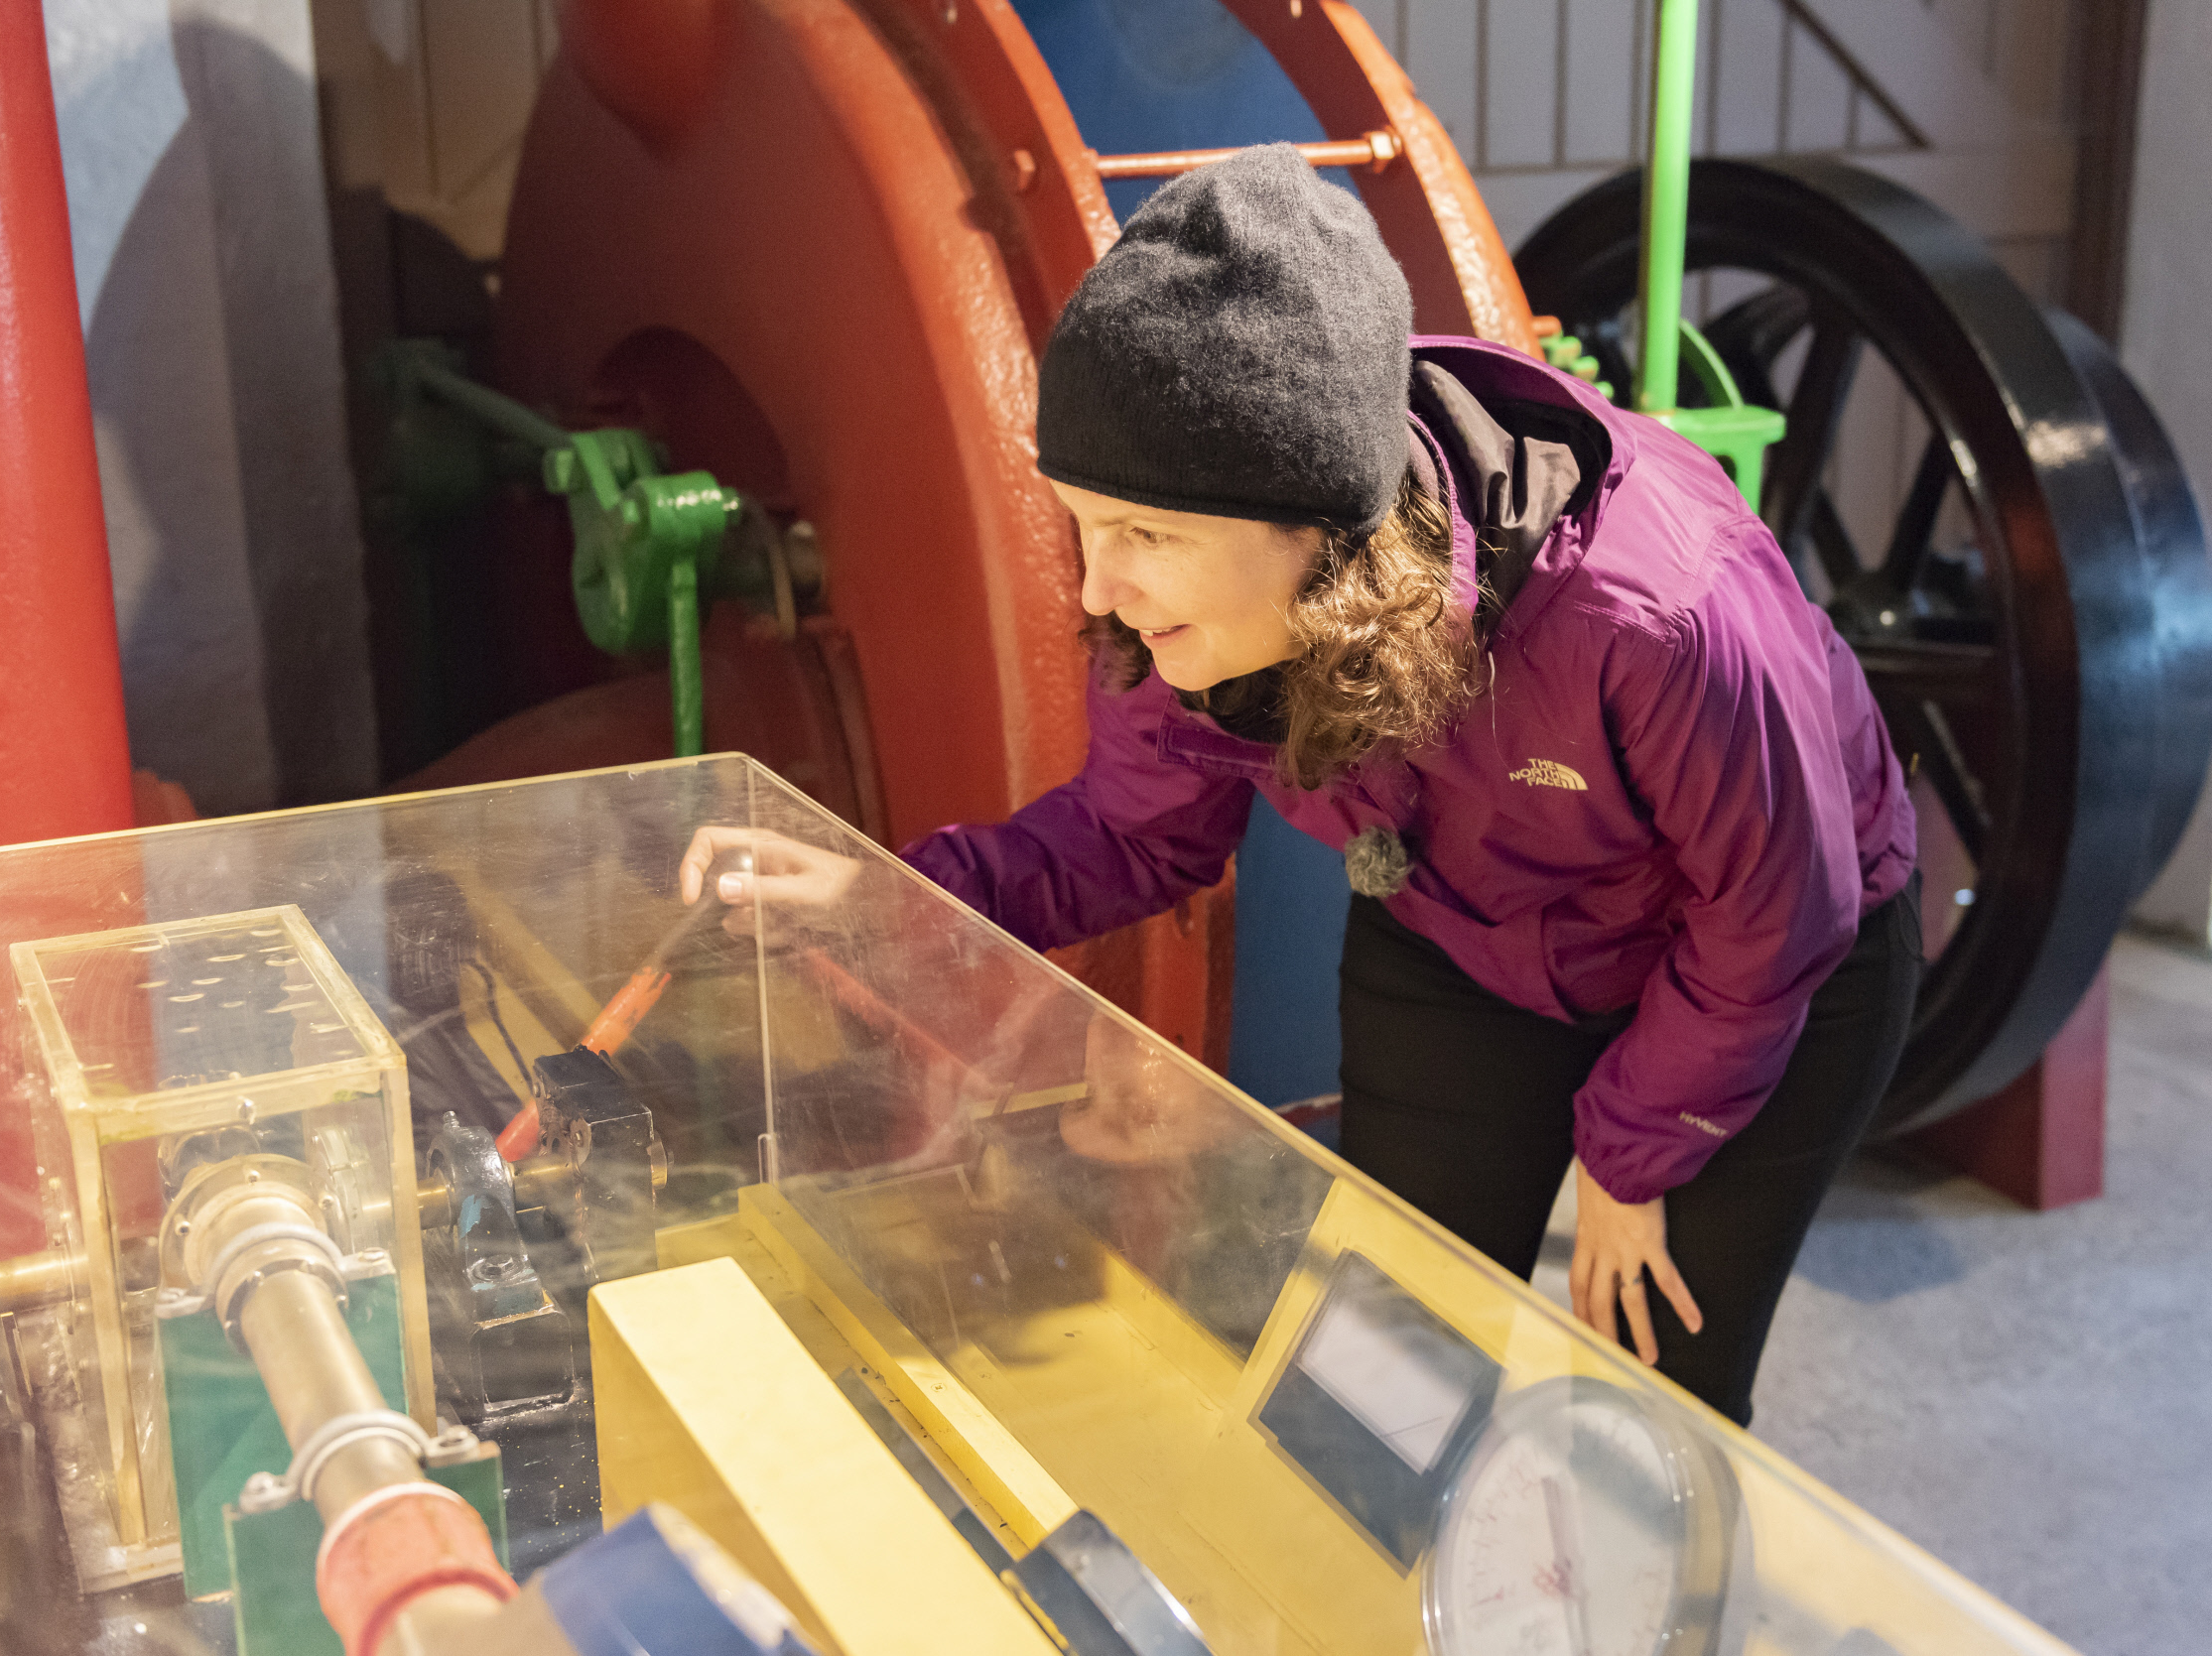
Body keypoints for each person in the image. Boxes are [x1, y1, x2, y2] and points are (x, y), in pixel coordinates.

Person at [681, 145, 1918, 1426]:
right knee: (1383, 1376)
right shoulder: (1197, 628)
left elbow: (1779, 910)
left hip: (1767, 965)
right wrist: (886, 895)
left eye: (1146, 536)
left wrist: (1633, 1149)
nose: (1100, 586)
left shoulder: (1658, 614)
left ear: (1315, 525)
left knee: (1655, 1404)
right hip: (1465, 931)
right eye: (1082, 526)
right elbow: (1126, 836)